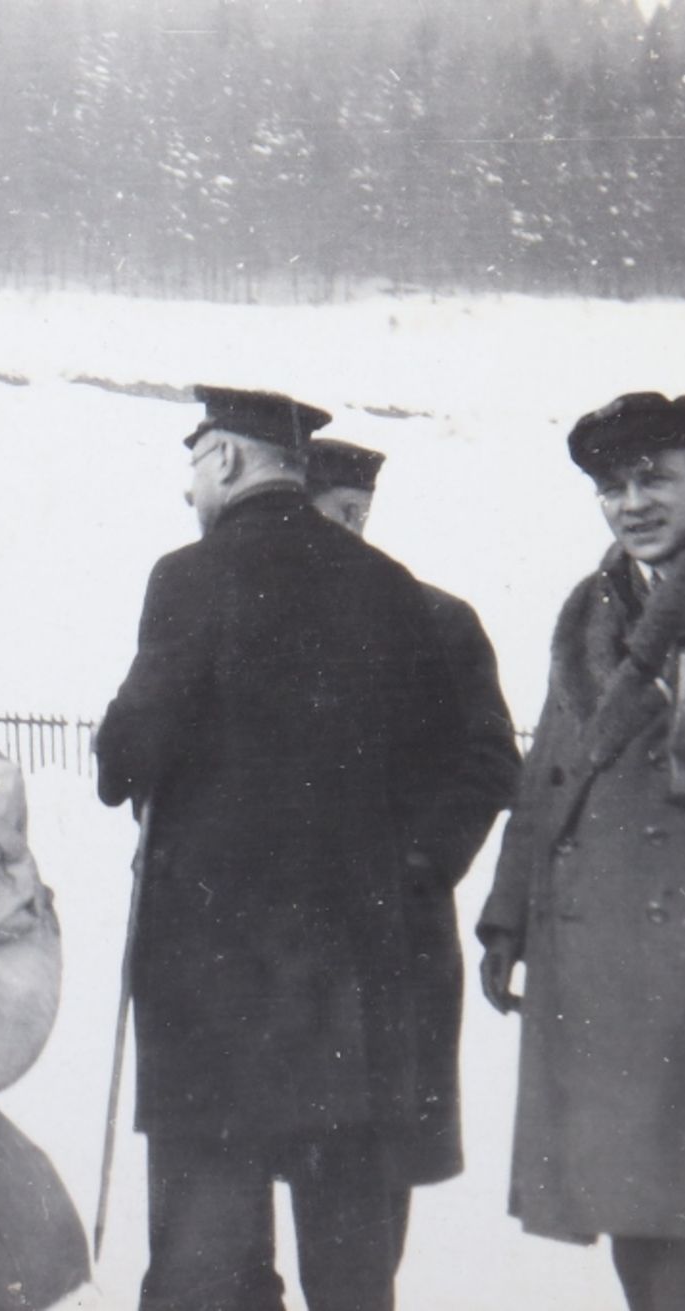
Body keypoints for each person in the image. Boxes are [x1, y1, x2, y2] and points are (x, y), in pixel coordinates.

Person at [94, 385, 457, 1311]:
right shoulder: (389, 588)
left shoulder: (191, 575)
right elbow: (435, 769)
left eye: (195, 462)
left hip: (217, 992)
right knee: (348, 1261)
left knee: (207, 1263)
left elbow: (128, 750)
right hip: (349, 985)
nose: (189, 491)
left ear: (225, 458)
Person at [477, 392, 685, 1311]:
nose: (634, 502)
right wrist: (508, 914)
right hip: (603, 967)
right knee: (636, 1215)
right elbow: (549, 765)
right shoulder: (589, 608)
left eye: (655, 478)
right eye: (612, 486)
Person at [305, 436, 522, 1262]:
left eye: (355, 516)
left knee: (363, 1180)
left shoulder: (434, 617)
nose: (345, 532)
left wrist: (419, 864)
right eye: (329, 515)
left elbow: (492, 759)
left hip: (388, 943)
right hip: (265, 948)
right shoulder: (237, 615)